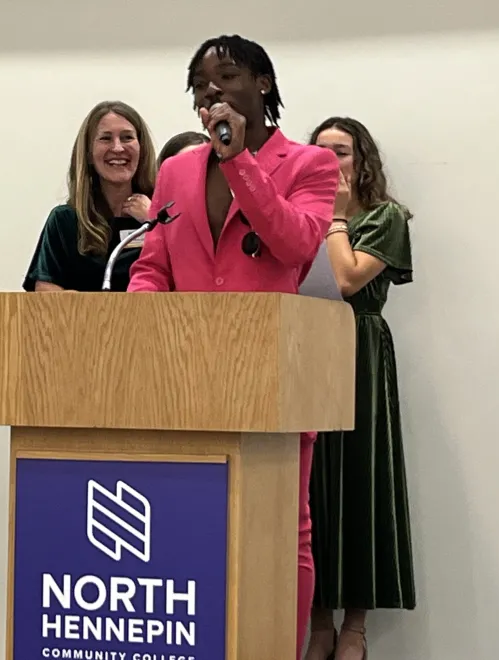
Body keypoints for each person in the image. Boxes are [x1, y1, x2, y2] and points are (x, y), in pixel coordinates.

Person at [126, 35, 340, 659]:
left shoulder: (309, 165)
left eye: (225, 77)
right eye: (199, 84)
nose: (211, 91)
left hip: (273, 372)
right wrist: (143, 315)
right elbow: (153, 264)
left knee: (283, 531)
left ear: (263, 84)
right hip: (186, 374)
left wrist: (241, 160)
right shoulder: (174, 171)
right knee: (195, 525)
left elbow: (297, 244)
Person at [304, 116, 416, 660]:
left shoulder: (385, 217)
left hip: (361, 355)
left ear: (362, 160)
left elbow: (347, 279)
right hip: (304, 350)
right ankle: (317, 619)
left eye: (341, 153)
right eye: (319, 152)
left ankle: (355, 627)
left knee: (360, 480)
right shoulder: (299, 217)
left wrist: (335, 216)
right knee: (310, 486)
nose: (330, 162)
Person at [22, 100, 157, 292]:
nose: (118, 148)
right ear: (88, 153)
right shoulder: (65, 221)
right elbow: (45, 294)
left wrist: (153, 221)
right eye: (106, 138)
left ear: (141, 149)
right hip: (80, 322)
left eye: (127, 137)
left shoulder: (160, 218)